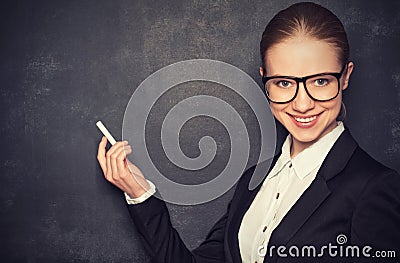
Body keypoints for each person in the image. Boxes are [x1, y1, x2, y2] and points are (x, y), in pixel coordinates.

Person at [97, 2, 400, 262]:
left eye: (320, 81)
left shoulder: (375, 187)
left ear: (345, 77)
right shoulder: (254, 180)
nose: (303, 103)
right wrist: (140, 193)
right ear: (264, 79)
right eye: (284, 83)